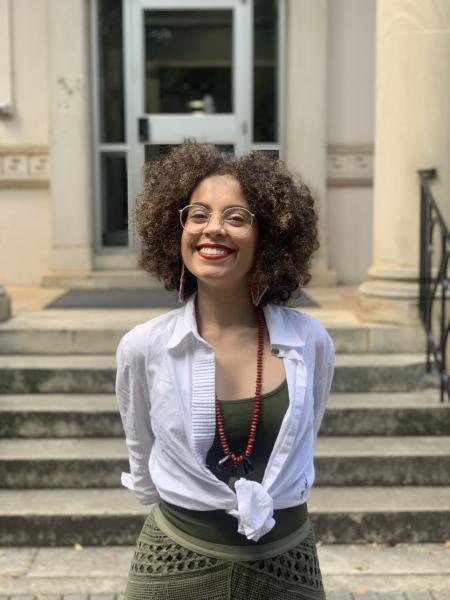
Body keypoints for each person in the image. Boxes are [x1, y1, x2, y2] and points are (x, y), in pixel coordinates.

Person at [115, 140, 335, 600]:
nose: (212, 229)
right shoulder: (145, 347)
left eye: (236, 217)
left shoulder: (309, 341)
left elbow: (303, 440)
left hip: (287, 566)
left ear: (269, 237)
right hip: (174, 566)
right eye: (198, 215)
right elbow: (142, 459)